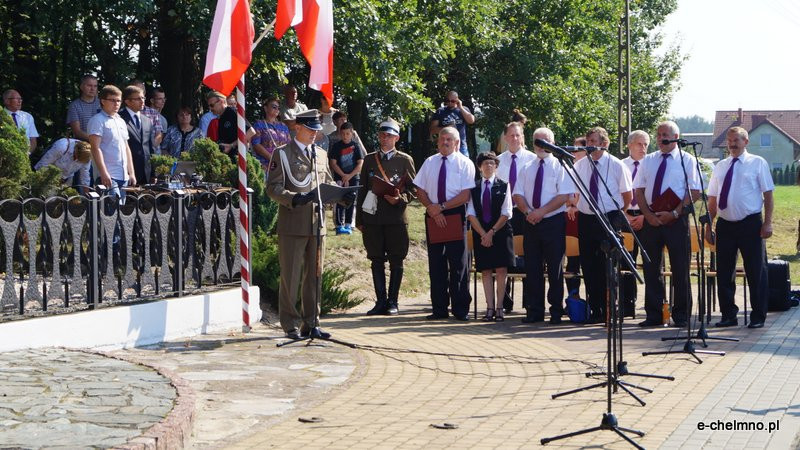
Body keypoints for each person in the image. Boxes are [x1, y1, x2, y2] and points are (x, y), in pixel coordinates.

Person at [265, 109, 336, 340]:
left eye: (317, 130)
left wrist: (341, 196)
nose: (315, 134)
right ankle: (290, 324)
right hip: (293, 223)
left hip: (317, 224)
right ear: (298, 128)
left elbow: (328, 183)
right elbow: (273, 188)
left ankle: (312, 322)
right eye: (311, 130)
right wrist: (294, 198)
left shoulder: (322, 155)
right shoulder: (283, 154)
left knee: (315, 275)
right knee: (292, 276)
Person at [633, 121, 701, 327]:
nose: (662, 137)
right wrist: (648, 215)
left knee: (680, 268)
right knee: (651, 268)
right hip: (651, 220)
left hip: (676, 220)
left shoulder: (686, 160)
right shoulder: (649, 160)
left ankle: (681, 315)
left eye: (666, 134)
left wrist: (674, 212)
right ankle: (654, 314)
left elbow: (695, 192)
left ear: (676, 136)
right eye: (659, 134)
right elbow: (639, 190)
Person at [706, 126, 774, 329]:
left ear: (746, 142)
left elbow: (768, 195)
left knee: (756, 271)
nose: (732, 144)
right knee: (724, 272)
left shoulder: (757, 163)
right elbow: (712, 200)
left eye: (736, 140)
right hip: (725, 225)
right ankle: (728, 315)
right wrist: (709, 226)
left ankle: (758, 316)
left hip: (751, 224)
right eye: (729, 141)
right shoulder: (720, 166)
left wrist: (768, 222)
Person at [413, 126, 475, 320]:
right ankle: (439, 309)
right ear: (438, 141)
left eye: (449, 139)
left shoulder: (465, 163)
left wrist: (441, 207)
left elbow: (465, 195)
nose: (445, 142)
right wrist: (432, 207)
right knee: (436, 264)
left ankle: (460, 309)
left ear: (457, 143)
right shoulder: (429, 162)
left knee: (458, 264)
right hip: (432, 213)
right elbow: (420, 189)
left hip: (454, 213)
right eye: (442, 139)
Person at [513, 128, 574, 324]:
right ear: (533, 143)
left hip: (553, 222)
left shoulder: (561, 166)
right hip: (530, 221)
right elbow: (517, 194)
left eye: (547, 141)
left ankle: (556, 311)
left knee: (555, 269)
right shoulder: (526, 167)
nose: (542, 145)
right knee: (532, 268)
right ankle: (535, 311)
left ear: (553, 143)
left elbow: (563, 195)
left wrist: (542, 212)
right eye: (539, 141)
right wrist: (529, 212)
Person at [356, 118, 417, 315]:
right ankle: (380, 301)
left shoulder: (405, 159)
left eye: (389, 135)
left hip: (396, 218)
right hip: (373, 217)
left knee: (396, 259)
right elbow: (363, 189)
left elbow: (413, 189)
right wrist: (359, 218)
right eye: (382, 134)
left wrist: (400, 198)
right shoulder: (369, 159)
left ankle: (393, 302)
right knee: (376, 259)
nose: (385, 138)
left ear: (397, 138)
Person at [574, 127, 632, 324]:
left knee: (607, 266)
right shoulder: (580, 165)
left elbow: (627, 196)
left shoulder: (616, 165)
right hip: (586, 217)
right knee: (589, 266)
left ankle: (611, 308)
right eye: (588, 141)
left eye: (593, 141)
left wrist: (616, 215)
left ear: (604, 144)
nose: (589, 144)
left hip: (608, 217)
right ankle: (596, 308)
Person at [467, 151, 514, 321]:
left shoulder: (504, 186)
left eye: (492, 163)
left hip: (500, 232)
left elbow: (507, 212)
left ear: (496, 166)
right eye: (485, 163)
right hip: (481, 233)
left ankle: (500, 307)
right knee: (486, 270)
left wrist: (492, 232)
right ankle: (489, 308)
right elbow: (471, 214)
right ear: (480, 167)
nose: (489, 166)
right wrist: (483, 234)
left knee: (501, 270)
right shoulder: (474, 188)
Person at [495, 120, 536, 312]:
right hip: (504, 214)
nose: (514, 138)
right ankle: (505, 300)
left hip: (525, 212)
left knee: (527, 255)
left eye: (518, 135)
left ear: (523, 138)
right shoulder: (497, 161)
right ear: (505, 138)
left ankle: (529, 301)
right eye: (511, 135)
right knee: (505, 256)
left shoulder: (532, 159)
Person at [87, 85, 136, 202]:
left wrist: (131, 173)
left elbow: (126, 148)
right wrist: (103, 173)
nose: (116, 104)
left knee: (119, 213)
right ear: (103, 101)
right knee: (111, 213)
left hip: (123, 175)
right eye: (112, 100)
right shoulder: (97, 120)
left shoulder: (121, 121)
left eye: (118, 100)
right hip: (108, 175)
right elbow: (95, 148)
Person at [620, 130, 650, 314]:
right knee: (626, 263)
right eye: (640, 144)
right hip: (624, 216)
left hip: (647, 217)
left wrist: (645, 216)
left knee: (651, 262)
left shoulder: (652, 165)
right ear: (629, 145)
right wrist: (625, 216)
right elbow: (615, 192)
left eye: (646, 144)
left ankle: (652, 306)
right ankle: (626, 306)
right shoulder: (620, 165)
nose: (643, 148)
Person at [118, 85, 158, 185]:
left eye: (143, 98)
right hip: (126, 170)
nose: (142, 101)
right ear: (127, 101)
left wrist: (153, 173)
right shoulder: (119, 118)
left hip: (146, 171)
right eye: (138, 99)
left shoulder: (147, 120)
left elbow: (151, 147)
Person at [328, 122, 364, 234]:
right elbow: (333, 163)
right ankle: (339, 225)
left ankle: (349, 225)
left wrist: (349, 176)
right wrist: (343, 176)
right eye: (343, 133)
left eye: (347, 133)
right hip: (339, 178)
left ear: (352, 133)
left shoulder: (356, 146)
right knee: (340, 201)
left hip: (353, 178)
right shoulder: (336, 146)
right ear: (340, 134)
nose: (345, 136)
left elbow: (360, 163)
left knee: (351, 201)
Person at [564, 136, 587, 296]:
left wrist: (576, 205)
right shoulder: (568, 171)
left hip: (585, 219)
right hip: (569, 221)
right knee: (572, 263)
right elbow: (564, 195)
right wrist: (571, 203)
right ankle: (573, 298)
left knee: (587, 262)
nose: (574, 153)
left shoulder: (591, 170)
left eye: (577, 150)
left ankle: (592, 301)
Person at [429, 91, 475, 157]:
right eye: (448, 101)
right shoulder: (440, 111)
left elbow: (471, 120)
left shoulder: (463, 109)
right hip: (445, 146)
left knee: (464, 164)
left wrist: (461, 107)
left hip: (461, 145)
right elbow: (432, 129)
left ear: (457, 100)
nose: (450, 103)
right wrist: (447, 128)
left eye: (452, 101)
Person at [252, 96, 291, 171]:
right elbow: (256, 145)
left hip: (283, 163)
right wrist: (272, 158)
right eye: (274, 107)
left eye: (278, 108)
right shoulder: (259, 124)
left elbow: (289, 145)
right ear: (265, 108)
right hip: (266, 165)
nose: (277, 109)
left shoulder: (283, 126)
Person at [205, 91, 238, 162]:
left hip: (237, 159)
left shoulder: (232, 113)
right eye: (209, 106)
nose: (210, 109)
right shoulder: (221, 117)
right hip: (227, 160)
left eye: (212, 105)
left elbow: (250, 132)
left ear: (221, 101)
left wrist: (231, 145)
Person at [130, 80, 165, 147]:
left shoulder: (153, 113)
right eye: (136, 91)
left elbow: (159, 135)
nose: (140, 93)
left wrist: (148, 150)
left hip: (150, 153)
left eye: (142, 91)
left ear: (145, 93)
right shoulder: (121, 114)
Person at [3, 89, 38, 154]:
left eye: (21, 99)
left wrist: (27, 154)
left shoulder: (27, 117)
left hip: (24, 158)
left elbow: (33, 140)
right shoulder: (1, 116)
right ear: (7, 101)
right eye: (17, 99)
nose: (20, 101)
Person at [66, 75, 101, 142]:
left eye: (95, 86)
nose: (92, 89)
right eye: (89, 85)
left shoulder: (102, 104)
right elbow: (77, 131)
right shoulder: (74, 106)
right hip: (83, 146)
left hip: (104, 144)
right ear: (81, 87)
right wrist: (96, 140)